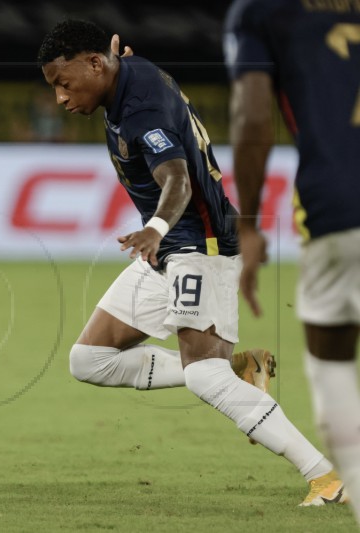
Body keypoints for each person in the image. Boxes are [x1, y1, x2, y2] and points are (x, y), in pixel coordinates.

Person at [38, 19, 345, 506]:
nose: (60, 97)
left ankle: (327, 478)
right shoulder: (126, 74)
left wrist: (153, 230)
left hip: (198, 247)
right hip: (167, 251)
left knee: (206, 376)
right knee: (89, 359)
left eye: (63, 82)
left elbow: (177, 180)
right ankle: (242, 367)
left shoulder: (139, 111)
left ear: (96, 64)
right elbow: (126, 70)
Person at [226, 0, 360, 518]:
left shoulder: (262, 10)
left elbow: (254, 114)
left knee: (334, 365)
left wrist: (251, 224)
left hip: (339, 204)